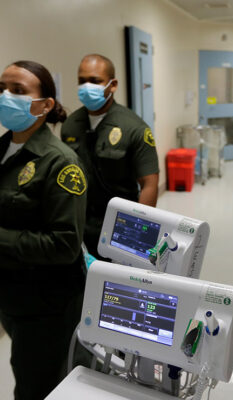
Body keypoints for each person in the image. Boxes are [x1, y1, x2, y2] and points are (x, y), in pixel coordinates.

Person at [0, 60, 87, 400]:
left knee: (37, 387)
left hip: (47, 305)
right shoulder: (3, 149)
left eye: (18, 91)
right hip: (12, 296)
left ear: (46, 104)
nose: (6, 96)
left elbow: (65, 244)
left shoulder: (61, 162)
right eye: (2, 88)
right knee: (24, 368)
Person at [61, 54, 159, 258]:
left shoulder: (134, 127)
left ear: (112, 85)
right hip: (79, 223)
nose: (87, 87)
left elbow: (149, 183)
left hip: (119, 223)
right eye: (82, 81)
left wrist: (138, 235)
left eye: (95, 81)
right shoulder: (71, 124)